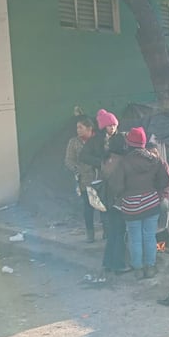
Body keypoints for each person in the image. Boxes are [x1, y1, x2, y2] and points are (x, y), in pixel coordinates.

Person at [108, 127, 169, 279]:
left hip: (131, 206)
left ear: (128, 143)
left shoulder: (124, 163)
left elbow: (116, 186)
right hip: (151, 202)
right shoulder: (155, 160)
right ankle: (150, 267)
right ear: (144, 143)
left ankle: (138, 269)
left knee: (134, 237)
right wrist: (158, 193)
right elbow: (165, 179)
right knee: (149, 236)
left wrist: (121, 196)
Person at [80, 108, 120, 240]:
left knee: (110, 206)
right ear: (103, 127)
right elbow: (83, 156)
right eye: (109, 125)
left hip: (116, 177)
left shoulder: (120, 138)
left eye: (114, 125)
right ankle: (93, 233)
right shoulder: (95, 141)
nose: (112, 128)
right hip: (98, 177)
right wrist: (100, 163)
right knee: (99, 205)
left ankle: (108, 232)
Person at [100, 133, 130, 275]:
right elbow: (119, 185)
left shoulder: (107, 159)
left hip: (108, 201)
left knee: (112, 233)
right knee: (120, 233)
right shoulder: (122, 161)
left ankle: (108, 262)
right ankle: (119, 264)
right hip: (119, 202)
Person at [65, 115, 97, 242]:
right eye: (77, 127)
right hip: (84, 180)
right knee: (88, 208)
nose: (78, 130)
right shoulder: (74, 142)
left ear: (89, 129)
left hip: (100, 178)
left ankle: (107, 232)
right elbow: (68, 160)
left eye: (81, 127)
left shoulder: (97, 140)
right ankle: (90, 233)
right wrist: (77, 169)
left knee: (105, 207)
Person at [146, 140, 169, 231]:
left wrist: (160, 195)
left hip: (162, 194)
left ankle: (163, 229)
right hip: (149, 195)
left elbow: (167, 183)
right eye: (151, 153)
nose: (154, 155)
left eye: (155, 152)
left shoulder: (163, 164)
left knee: (164, 204)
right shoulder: (144, 166)